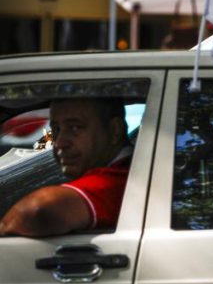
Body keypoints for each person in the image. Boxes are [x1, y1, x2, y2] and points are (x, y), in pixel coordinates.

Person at [0, 97, 131, 237]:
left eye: (75, 127)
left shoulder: (123, 179)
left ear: (115, 130)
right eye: (56, 130)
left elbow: (38, 210)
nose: (59, 143)